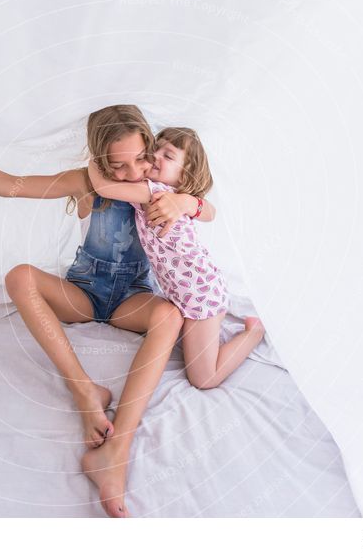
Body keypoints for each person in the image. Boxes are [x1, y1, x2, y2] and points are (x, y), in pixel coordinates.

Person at [0, 105, 218, 518]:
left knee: (169, 316)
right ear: (98, 161)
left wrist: (188, 204)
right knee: (20, 277)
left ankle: (117, 449)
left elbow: (208, 208)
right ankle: (84, 391)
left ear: (151, 147)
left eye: (141, 158)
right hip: (85, 293)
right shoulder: (87, 183)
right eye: (117, 165)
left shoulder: (162, 189)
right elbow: (10, 186)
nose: (132, 173)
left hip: (132, 297)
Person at [88, 127, 266, 390]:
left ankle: (254, 333)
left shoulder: (156, 192)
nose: (156, 156)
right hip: (186, 293)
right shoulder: (161, 193)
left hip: (200, 296)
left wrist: (94, 158)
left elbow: (104, 187)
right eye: (156, 148)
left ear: (185, 174)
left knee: (204, 379)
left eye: (168, 155)